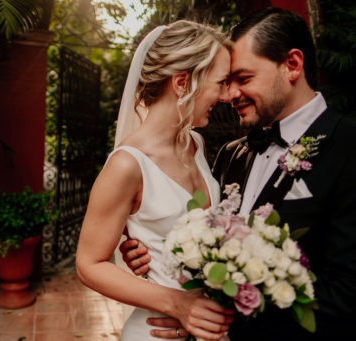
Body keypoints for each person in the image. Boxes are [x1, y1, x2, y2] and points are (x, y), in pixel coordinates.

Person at [121, 7, 356, 340]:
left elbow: (347, 295)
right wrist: (156, 253)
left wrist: (229, 304)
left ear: (292, 64)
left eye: (243, 79)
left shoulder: (347, 147)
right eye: (226, 82)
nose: (229, 95)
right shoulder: (233, 154)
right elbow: (202, 234)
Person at [75, 20, 235, 341]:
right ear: (182, 83)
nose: (229, 95)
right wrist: (178, 304)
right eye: (221, 82)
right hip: (159, 331)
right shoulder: (127, 165)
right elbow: (89, 264)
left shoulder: (195, 144)